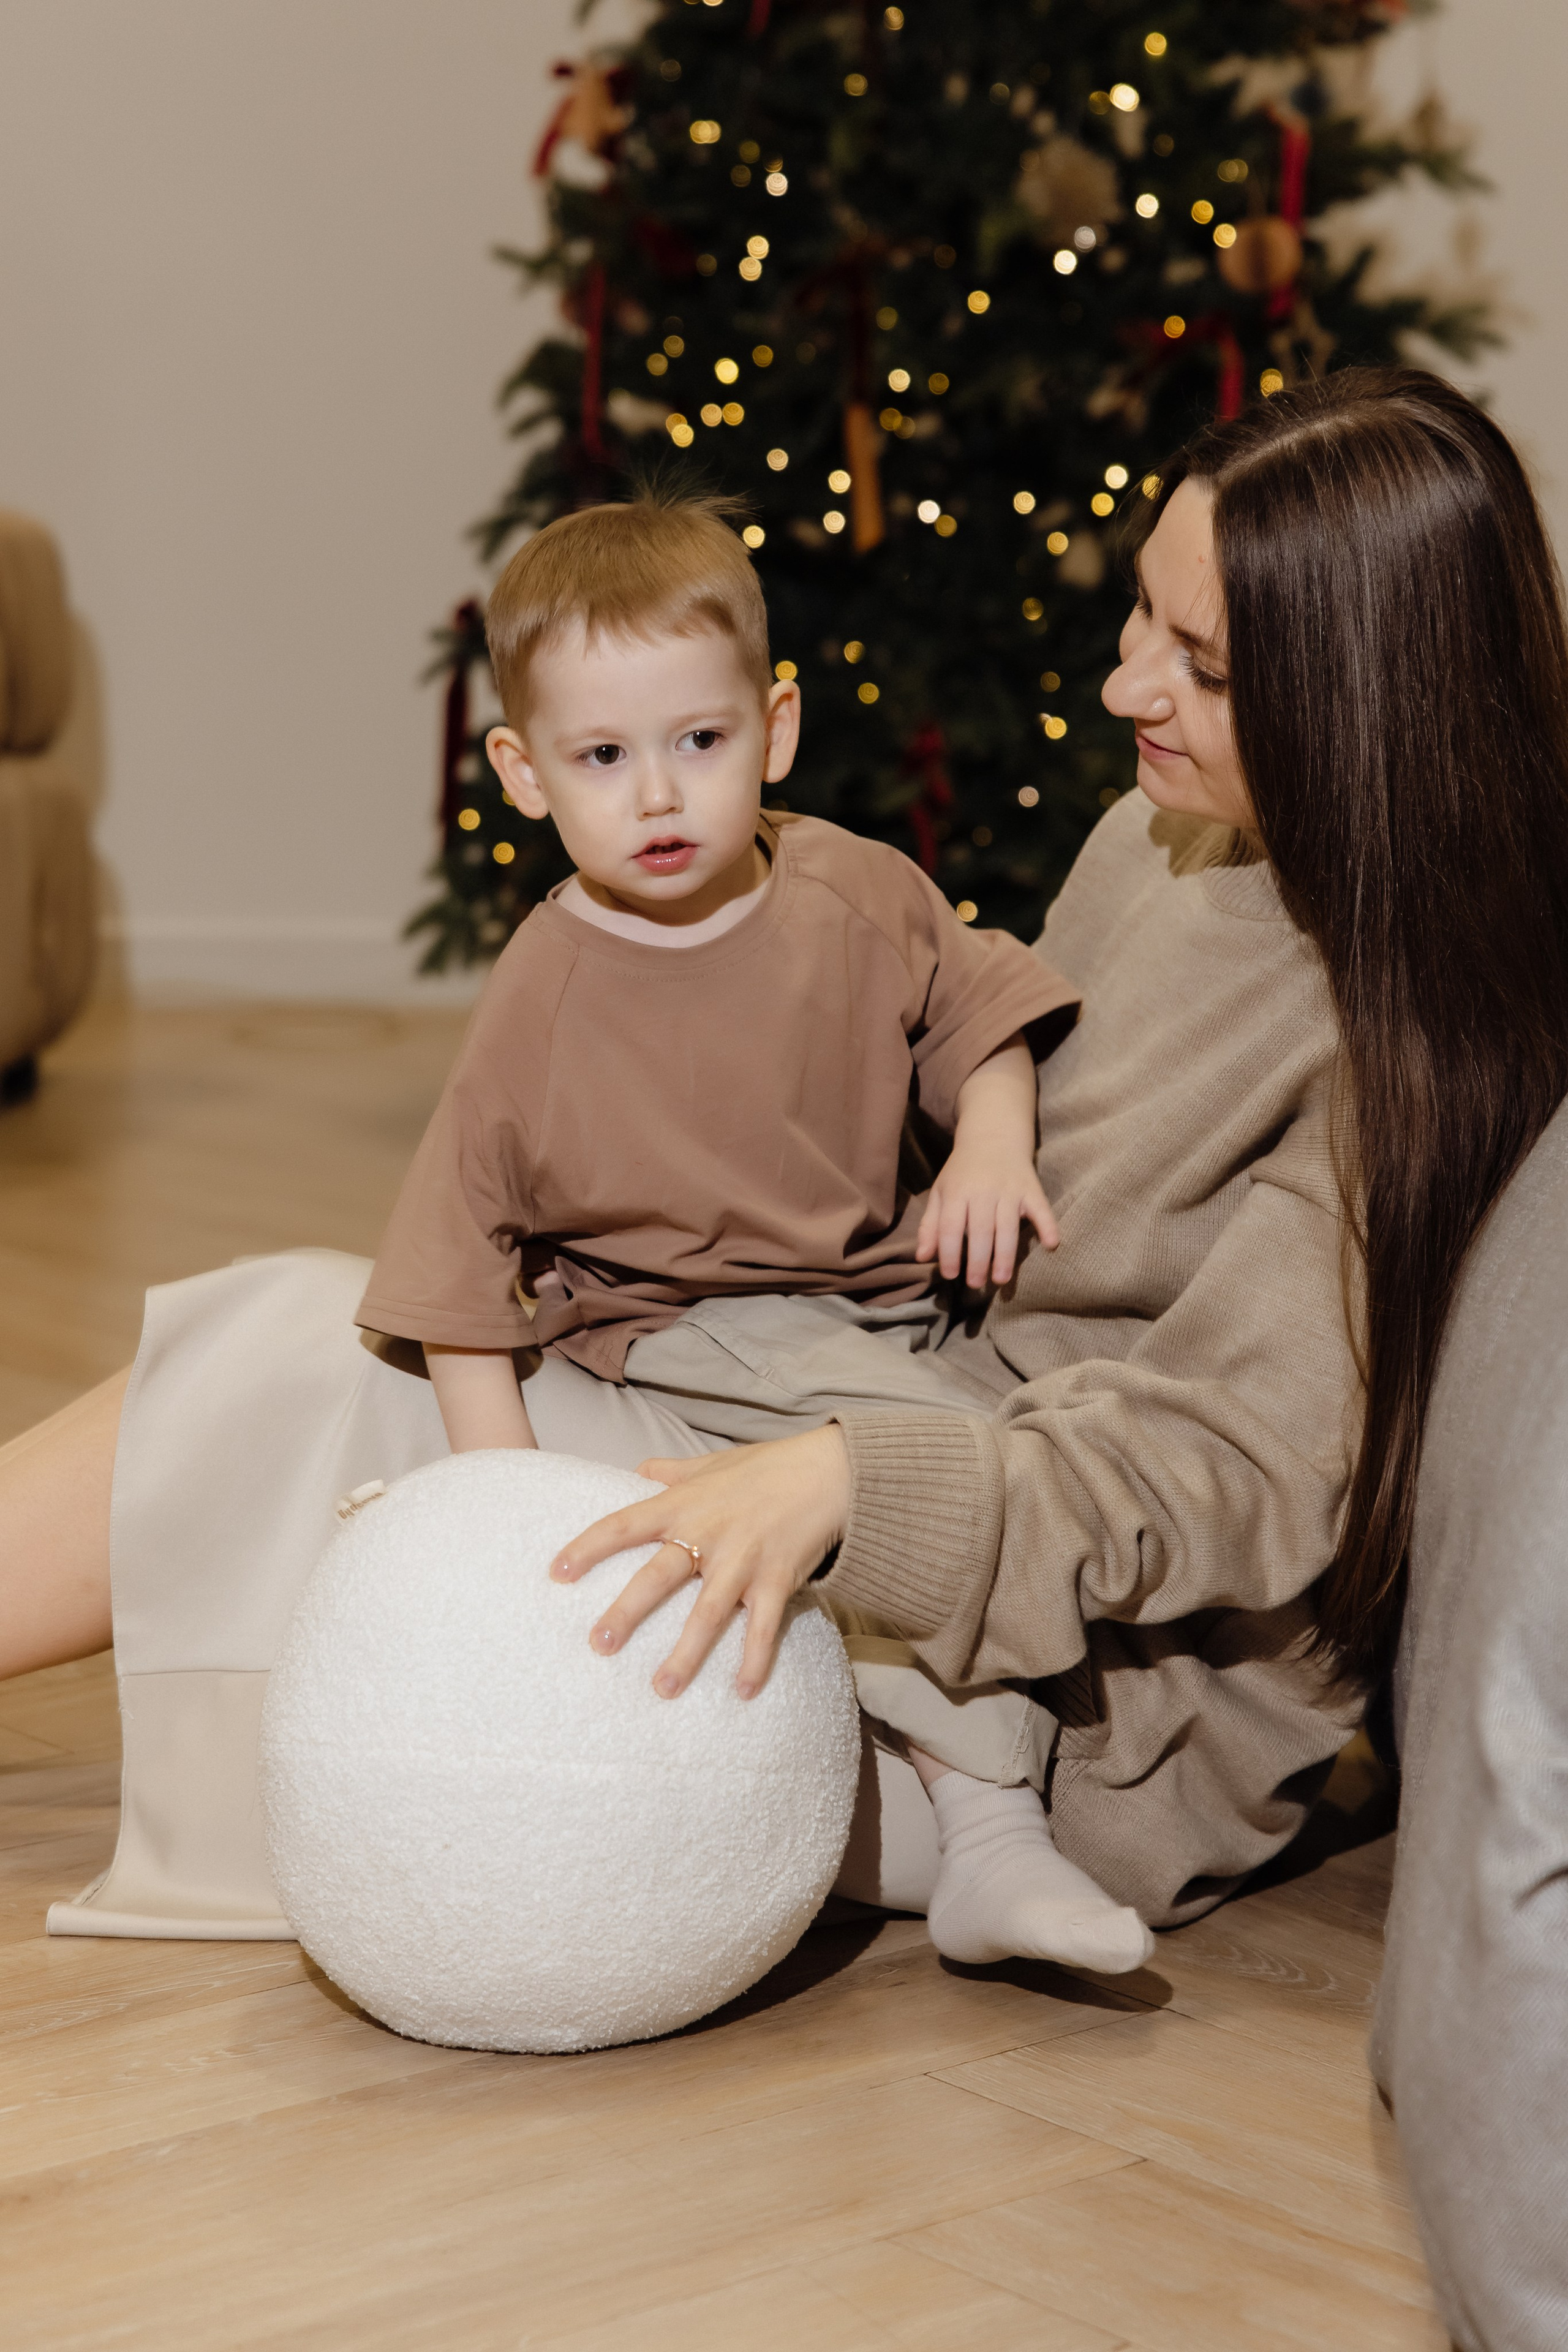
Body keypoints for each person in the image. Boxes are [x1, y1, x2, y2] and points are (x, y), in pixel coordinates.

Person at [6, 366, 1566, 1971]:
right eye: (1141, 627)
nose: (1125, 694)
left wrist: (841, 1486)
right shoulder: (1172, 838)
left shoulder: (1428, 1061)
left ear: (1370, 702)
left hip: (1074, 1711)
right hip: (870, 1427)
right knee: (331, 1350)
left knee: (323, 1394)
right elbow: (965, 1142)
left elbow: (1220, 1473)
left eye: (1205, 665)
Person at [355, 491, 1154, 1975]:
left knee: (1010, 1465)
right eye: (602, 758)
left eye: (697, 743)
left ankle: (957, 1782)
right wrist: (500, 1508)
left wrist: (989, 1136)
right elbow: (457, 1271)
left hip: (882, 1304)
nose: (656, 797)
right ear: (524, 775)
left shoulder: (854, 888)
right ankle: (990, 1845)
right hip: (686, 1325)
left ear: (773, 728)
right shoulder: (543, 994)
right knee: (944, 1482)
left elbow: (976, 1008)